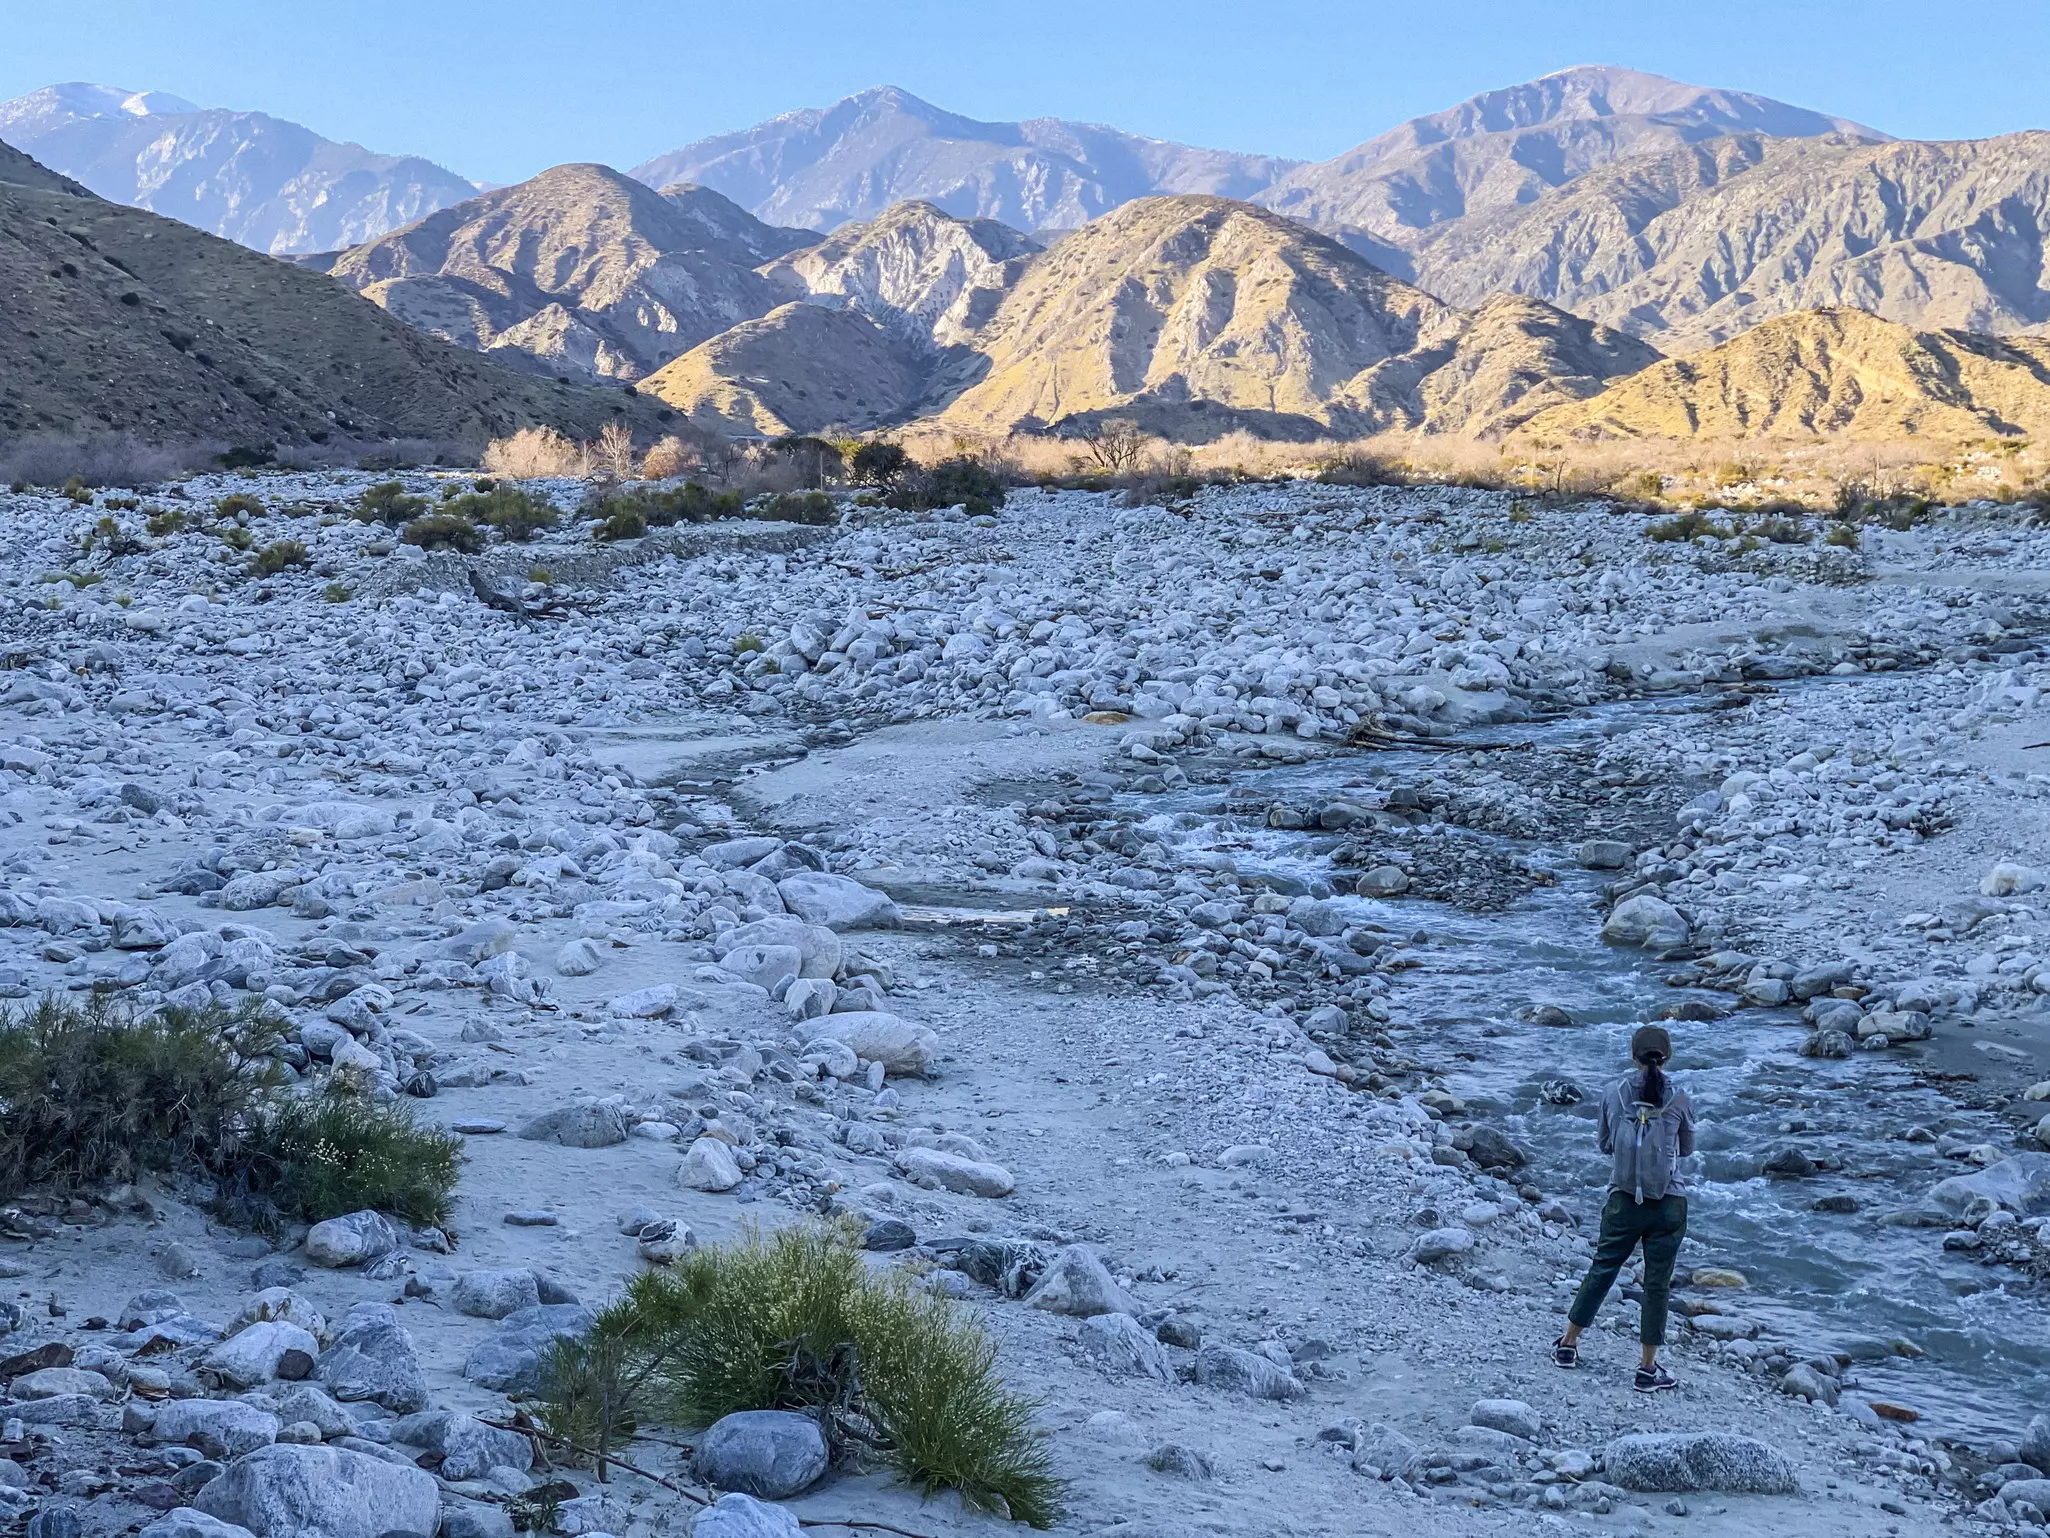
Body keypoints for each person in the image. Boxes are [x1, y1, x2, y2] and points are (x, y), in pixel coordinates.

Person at [1552, 1024, 1695, 1392]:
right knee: (1656, 1284)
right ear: (1667, 1058)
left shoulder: (1612, 1093)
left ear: (1633, 1056)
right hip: (1669, 1203)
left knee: (1602, 1269)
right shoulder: (1679, 1097)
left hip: (1623, 1200)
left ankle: (1568, 1344)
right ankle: (1647, 1369)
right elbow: (1688, 1149)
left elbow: (1603, 1144)